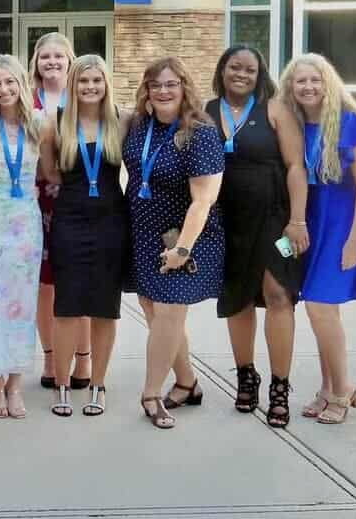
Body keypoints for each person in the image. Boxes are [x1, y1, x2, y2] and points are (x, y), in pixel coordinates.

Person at [207, 45, 309, 427]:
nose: (242, 74)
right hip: (226, 222)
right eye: (235, 67)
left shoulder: (275, 109)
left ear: (260, 74)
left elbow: (296, 167)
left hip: (275, 220)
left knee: (279, 293)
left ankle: (280, 387)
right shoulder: (207, 111)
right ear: (223, 70)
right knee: (238, 299)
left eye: (250, 69)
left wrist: (297, 221)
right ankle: (246, 375)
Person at [280, 53, 356, 424]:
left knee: (320, 307)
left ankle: (342, 390)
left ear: (328, 83)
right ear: (290, 87)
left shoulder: (350, 123)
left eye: (315, 80)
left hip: (342, 224)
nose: (308, 87)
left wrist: (355, 240)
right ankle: (328, 388)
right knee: (320, 310)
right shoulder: (292, 124)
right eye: (300, 81)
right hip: (307, 223)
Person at [123, 56, 224, 430]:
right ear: (146, 91)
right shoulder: (139, 126)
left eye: (171, 84)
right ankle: (188, 383)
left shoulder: (200, 133)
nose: (163, 91)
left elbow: (204, 199)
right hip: (144, 232)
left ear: (184, 88)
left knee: (168, 312)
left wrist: (182, 249)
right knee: (155, 311)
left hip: (186, 237)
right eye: (156, 85)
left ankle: (151, 394)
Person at [0, 55, 54, 419]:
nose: (3, 90)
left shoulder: (40, 124)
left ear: (21, 83)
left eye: (9, 82)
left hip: (25, 223)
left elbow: (48, 172)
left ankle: (15, 383)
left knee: (22, 302)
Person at [44, 55, 132, 418]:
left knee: (104, 309)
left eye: (97, 80)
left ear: (106, 83)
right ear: (73, 84)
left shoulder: (123, 120)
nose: (91, 87)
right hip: (70, 218)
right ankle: (63, 385)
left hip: (112, 220)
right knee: (66, 306)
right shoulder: (56, 123)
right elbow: (50, 171)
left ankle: (98, 384)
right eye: (83, 81)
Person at [29, 32, 91, 391]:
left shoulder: (84, 97)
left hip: (78, 198)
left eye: (59, 56)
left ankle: (83, 358)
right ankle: (51, 357)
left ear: (70, 61)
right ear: (36, 62)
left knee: (76, 281)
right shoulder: (27, 100)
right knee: (44, 285)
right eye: (45, 56)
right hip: (36, 200)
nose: (52, 62)